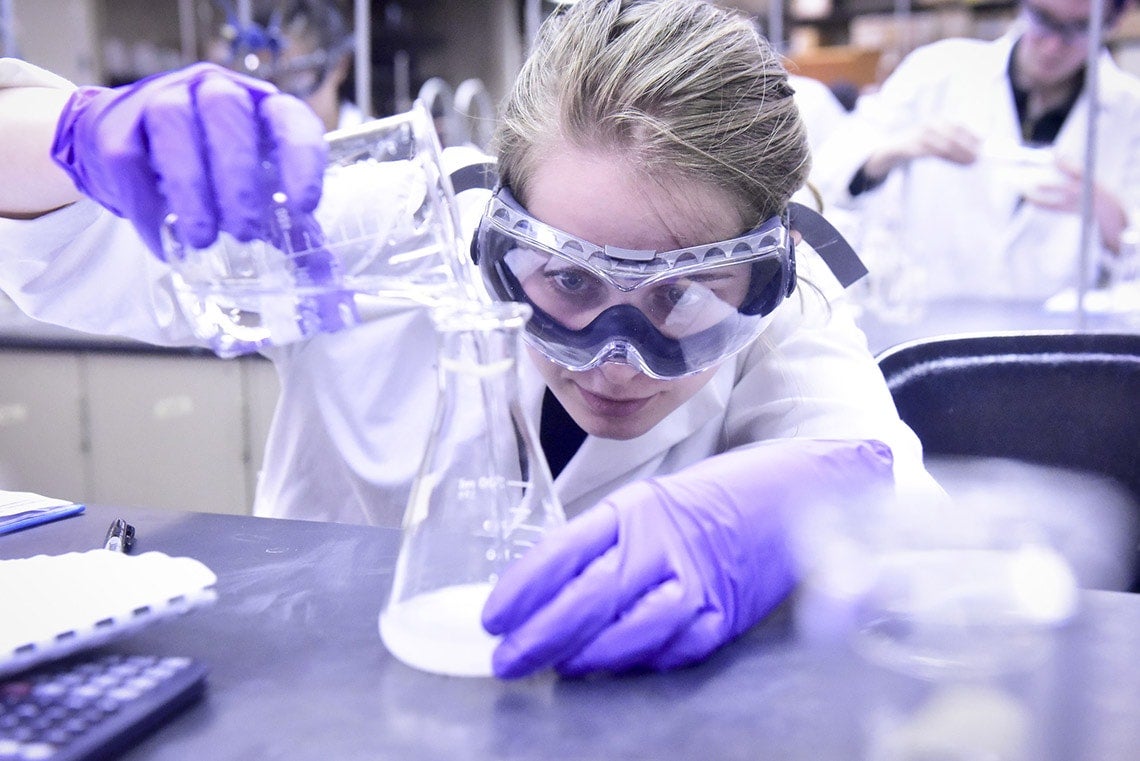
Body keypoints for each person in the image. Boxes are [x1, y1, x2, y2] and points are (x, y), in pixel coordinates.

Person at [0, 0, 945, 677]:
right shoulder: (391, 227)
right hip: (321, 685)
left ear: (764, 272)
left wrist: (811, 505)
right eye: (567, 279)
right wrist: (73, 134)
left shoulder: (789, 304)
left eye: (683, 296)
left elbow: (916, 529)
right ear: (497, 228)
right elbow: (70, 255)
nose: (617, 356)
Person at [812, 0, 1140, 301]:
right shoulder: (936, 71)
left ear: (1114, 21)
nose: (1053, 45)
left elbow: (1132, 272)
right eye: (1043, 19)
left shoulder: (1130, 111)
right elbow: (826, 179)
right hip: (931, 319)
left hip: (1056, 332)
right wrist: (898, 149)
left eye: (1079, 28)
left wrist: (1110, 214)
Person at [207, 0, 361, 132]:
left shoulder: (371, 143)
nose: (276, 104)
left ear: (340, 65)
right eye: (261, 81)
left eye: (291, 78)